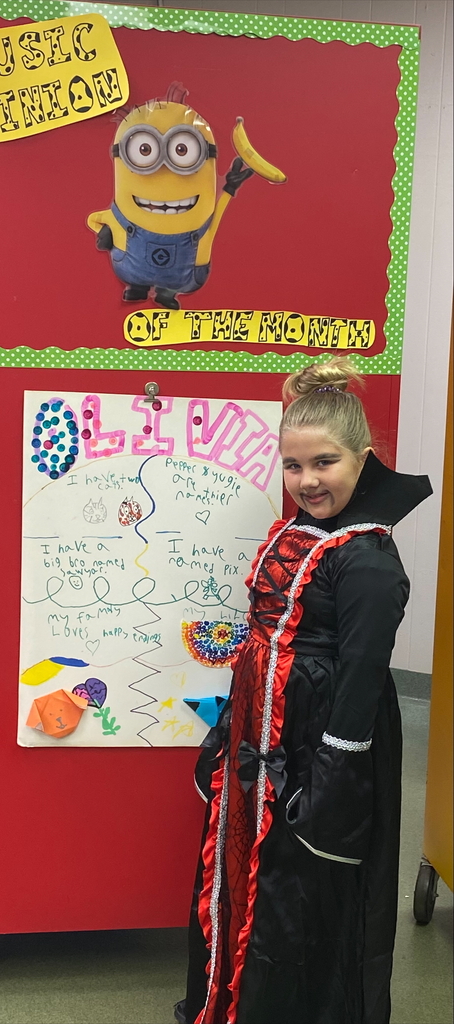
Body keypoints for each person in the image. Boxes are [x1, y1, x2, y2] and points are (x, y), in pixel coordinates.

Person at [175, 358, 432, 1024]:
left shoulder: (368, 558)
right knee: (247, 878)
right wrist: (230, 725)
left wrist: (326, 781)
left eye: (325, 463)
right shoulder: (298, 531)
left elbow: (360, 680)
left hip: (319, 745)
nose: (308, 481)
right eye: (294, 466)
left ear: (363, 459)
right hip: (262, 738)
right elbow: (263, 641)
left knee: (296, 900)